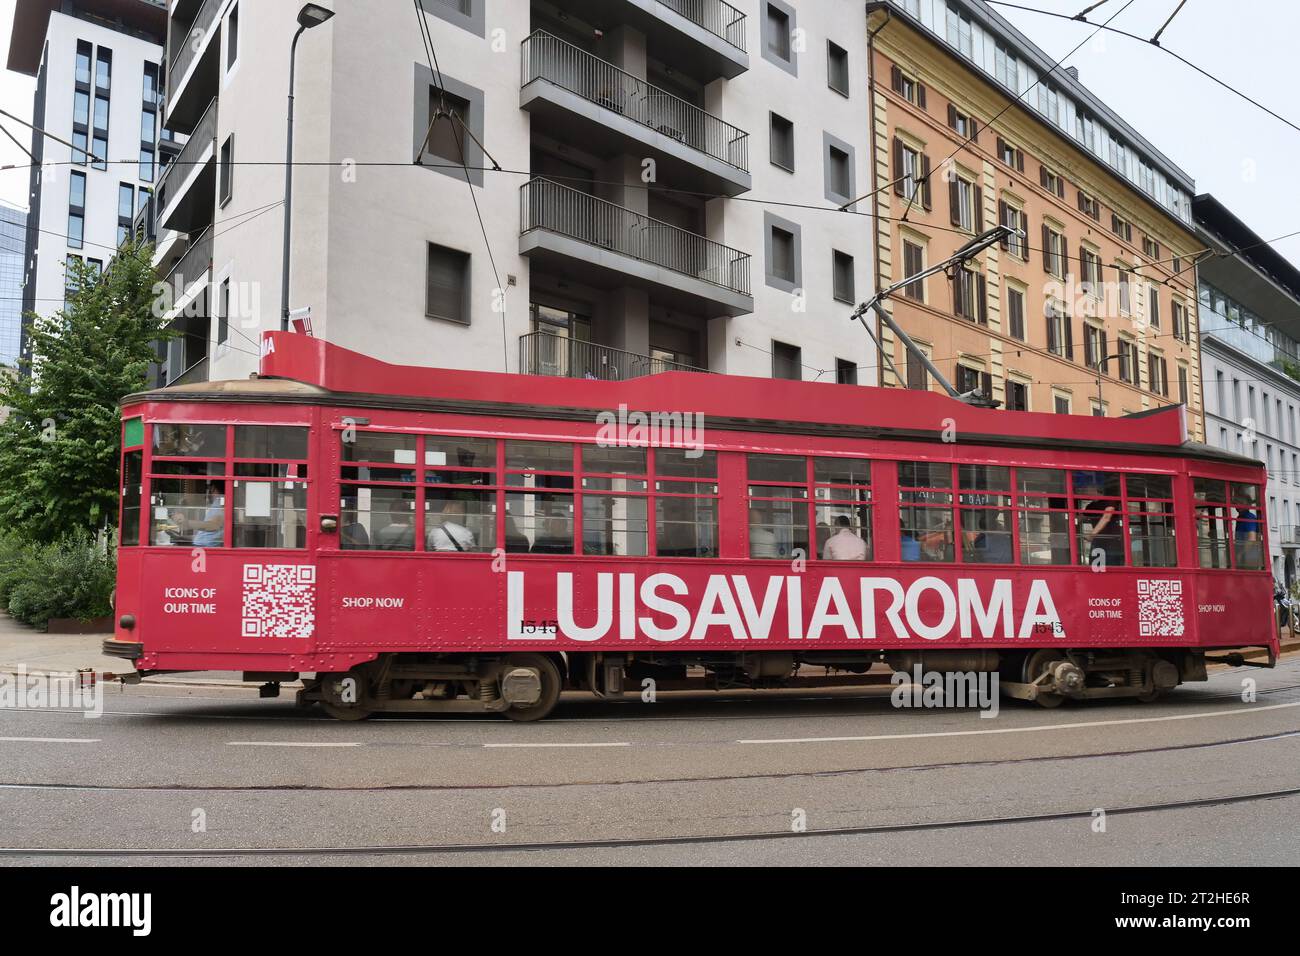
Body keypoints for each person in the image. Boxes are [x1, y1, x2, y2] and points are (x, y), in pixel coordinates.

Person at [190, 481, 225, 548]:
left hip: (205, 545)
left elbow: (213, 525)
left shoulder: (219, 503)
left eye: (209, 489)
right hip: (207, 544)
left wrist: (187, 523)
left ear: (213, 489)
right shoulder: (220, 502)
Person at [1235, 492, 1262, 568]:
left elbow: (1252, 539)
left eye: (1241, 502)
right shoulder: (1239, 518)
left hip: (1249, 558)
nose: (1238, 504)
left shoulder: (1249, 517)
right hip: (1245, 557)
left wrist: (1241, 554)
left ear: (1248, 504)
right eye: (1237, 502)